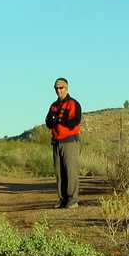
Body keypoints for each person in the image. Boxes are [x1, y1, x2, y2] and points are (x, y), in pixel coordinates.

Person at [45, 77, 82, 209]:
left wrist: (59, 120)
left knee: (70, 171)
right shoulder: (53, 106)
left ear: (66, 88)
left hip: (70, 141)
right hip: (56, 141)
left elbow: (75, 121)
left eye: (61, 88)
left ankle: (73, 200)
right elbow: (48, 122)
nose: (58, 90)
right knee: (59, 172)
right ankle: (62, 199)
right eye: (56, 88)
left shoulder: (73, 104)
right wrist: (56, 120)